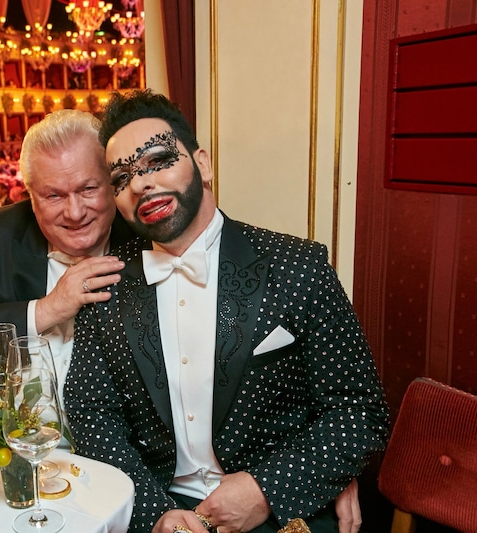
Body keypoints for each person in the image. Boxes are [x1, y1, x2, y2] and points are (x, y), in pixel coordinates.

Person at [64, 90, 390, 533]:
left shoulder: (296, 266)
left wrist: (265, 490)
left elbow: (360, 409)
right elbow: (91, 414)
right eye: (121, 178)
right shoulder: (108, 283)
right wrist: (151, 512)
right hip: (158, 501)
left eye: (157, 160)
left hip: (280, 502)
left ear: (203, 164)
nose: (140, 183)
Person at [0, 109, 132, 363]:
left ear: (112, 183)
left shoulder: (144, 233)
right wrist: (47, 309)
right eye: (53, 196)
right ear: (31, 197)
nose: (75, 213)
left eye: (88, 189)